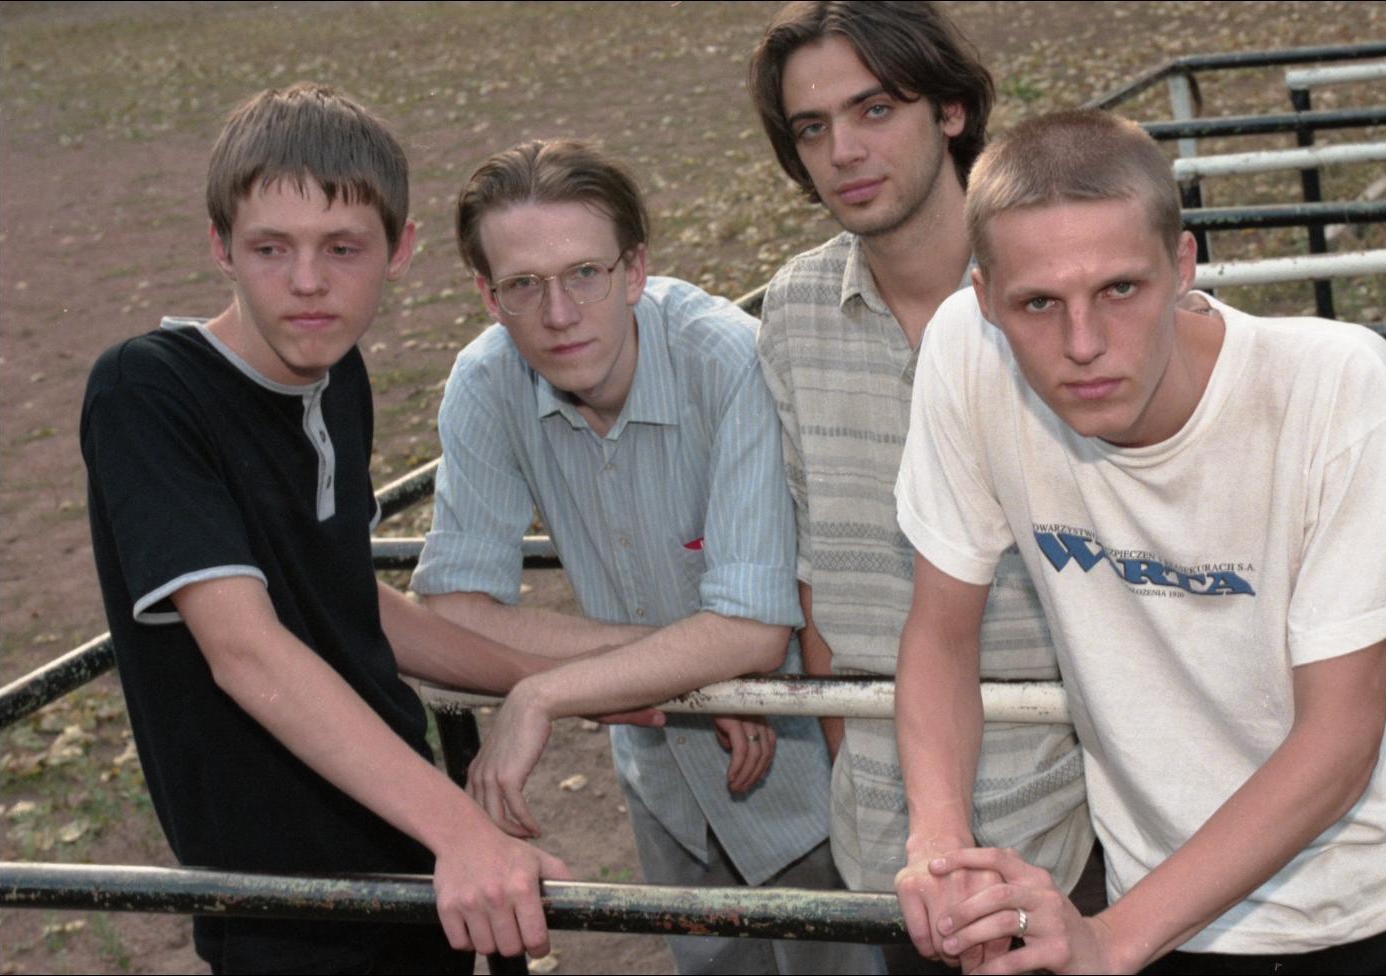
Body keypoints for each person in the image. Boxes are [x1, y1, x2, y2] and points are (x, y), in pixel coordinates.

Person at [893, 108, 1386, 975]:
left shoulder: (1334, 386)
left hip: (1385, 899)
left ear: (1182, 265)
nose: (1082, 344)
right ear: (985, 298)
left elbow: (1340, 741)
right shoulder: (966, 353)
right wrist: (940, 846)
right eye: (1038, 303)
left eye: (1119, 290)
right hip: (1165, 909)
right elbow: (940, 630)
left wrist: (1112, 937)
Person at [80, 83, 576, 974]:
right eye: (271, 247)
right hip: (282, 899)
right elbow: (245, 650)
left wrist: (558, 681)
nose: (308, 281)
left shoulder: (337, 376)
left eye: (343, 248)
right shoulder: (147, 392)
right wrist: (465, 830)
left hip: (406, 842)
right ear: (220, 245)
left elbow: (351, 601)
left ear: (400, 249)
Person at [408, 138, 880, 975]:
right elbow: (452, 609)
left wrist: (545, 690)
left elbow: (750, 630)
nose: (559, 313)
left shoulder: (727, 360)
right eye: (524, 285)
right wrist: (675, 668)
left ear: (634, 270)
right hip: (665, 784)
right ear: (488, 295)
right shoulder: (485, 383)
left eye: (584, 273)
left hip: (806, 781)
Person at [748, 3, 1101, 970]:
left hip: (1082, 808)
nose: (842, 152)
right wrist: (855, 756)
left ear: (950, 110)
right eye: (811, 127)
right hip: (895, 834)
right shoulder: (795, 309)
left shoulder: (1055, 290)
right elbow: (816, 570)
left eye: (874, 109)